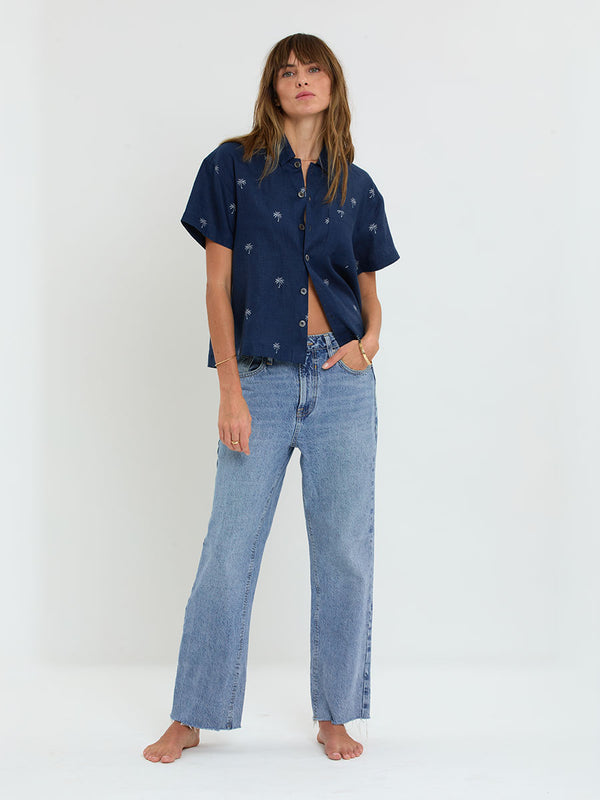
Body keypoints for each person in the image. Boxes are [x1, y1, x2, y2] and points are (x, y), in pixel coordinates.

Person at [143, 32, 400, 764]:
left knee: (346, 553)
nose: (301, 80)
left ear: (332, 83)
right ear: (273, 88)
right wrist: (230, 388)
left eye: (312, 68)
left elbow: (371, 293)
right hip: (257, 377)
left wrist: (369, 345)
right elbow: (217, 286)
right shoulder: (231, 169)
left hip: (344, 384)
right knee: (228, 551)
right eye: (287, 71)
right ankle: (192, 713)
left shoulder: (357, 183)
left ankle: (337, 714)